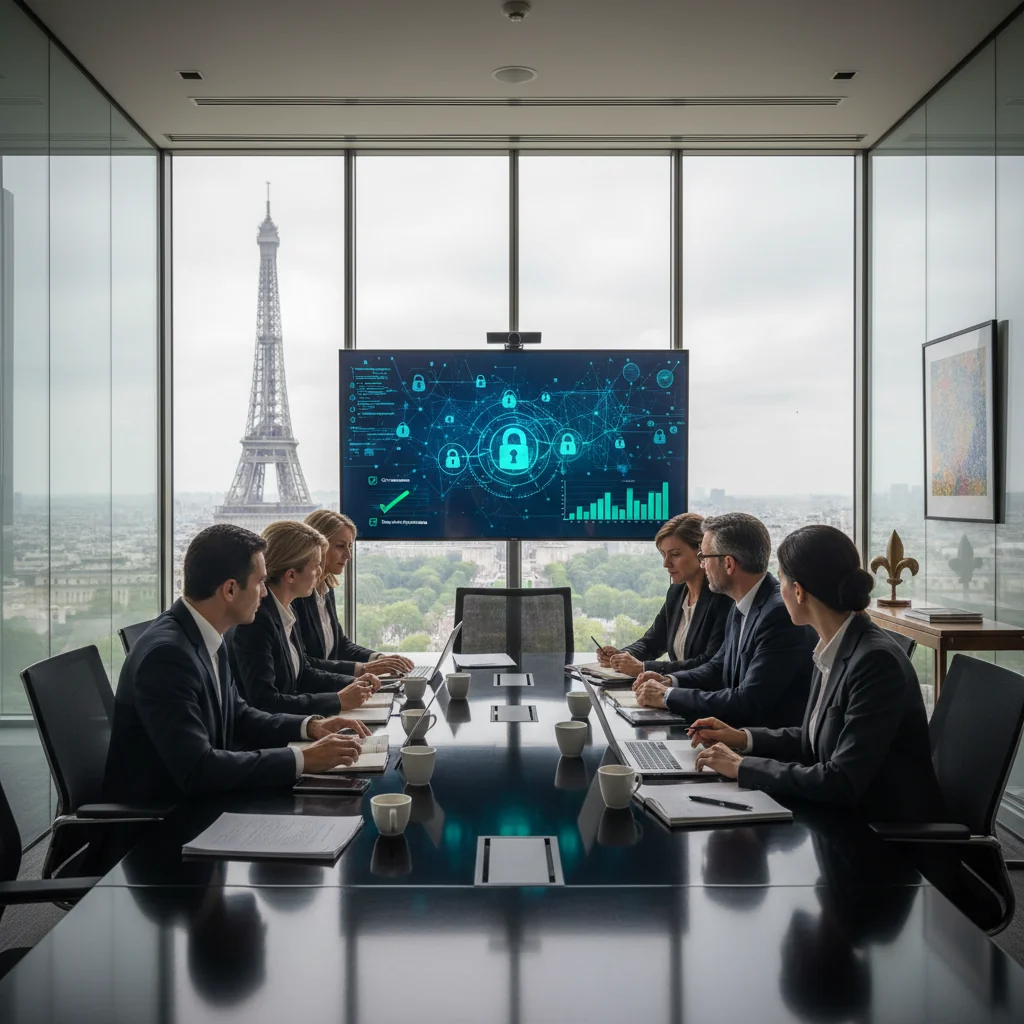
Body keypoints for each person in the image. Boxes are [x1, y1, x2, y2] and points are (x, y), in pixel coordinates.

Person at [685, 524, 946, 823]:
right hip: (839, 815)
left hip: (880, 838)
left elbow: (841, 780)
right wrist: (742, 738)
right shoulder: (836, 645)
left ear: (798, 591)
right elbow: (813, 739)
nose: (777, 591)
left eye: (780, 580)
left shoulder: (875, 662)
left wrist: (742, 767)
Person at [104, 524, 369, 805]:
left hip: (207, 800)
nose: (265, 593)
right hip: (165, 824)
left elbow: (239, 715)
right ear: (230, 589)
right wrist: (303, 758)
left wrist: (310, 727)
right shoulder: (168, 656)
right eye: (259, 583)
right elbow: (198, 770)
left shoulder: (201, 634)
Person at [634, 512, 815, 727]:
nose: (702, 566)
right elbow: (717, 668)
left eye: (704, 557)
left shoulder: (778, 614)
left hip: (765, 747)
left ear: (728, 564)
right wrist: (669, 681)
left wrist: (667, 696)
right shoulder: (742, 603)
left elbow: (748, 700)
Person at [229, 520, 380, 716]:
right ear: (291, 575)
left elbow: (303, 672)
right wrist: (337, 700)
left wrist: (352, 682)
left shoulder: (283, 610)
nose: (320, 573)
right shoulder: (257, 621)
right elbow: (265, 702)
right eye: (317, 566)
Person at [595, 513, 732, 677]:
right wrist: (622, 656)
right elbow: (653, 642)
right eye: (663, 554)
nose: (666, 563)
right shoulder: (677, 592)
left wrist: (644, 668)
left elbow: (709, 663)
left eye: (675, 554)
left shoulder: (723, 597)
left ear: (701, 552)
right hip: (677, 690)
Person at [294, 509, 413, 678]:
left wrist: (379, 658)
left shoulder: (326, 588)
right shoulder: (296, 597)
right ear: (318, 547)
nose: (348, 555)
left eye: (350, 546)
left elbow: (340, 645)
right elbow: (302, 663)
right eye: (340, 546)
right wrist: (363, 669)